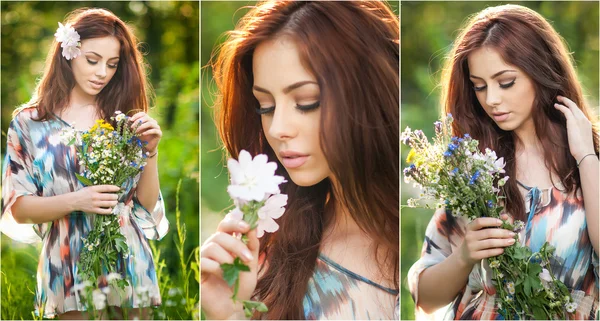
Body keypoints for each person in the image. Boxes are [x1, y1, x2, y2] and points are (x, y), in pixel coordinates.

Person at [201, 1, 399, 319]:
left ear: (369, 94)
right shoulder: (266, 259)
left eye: (306, 102)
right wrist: (228, 314)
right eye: (265, 106)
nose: (277, 129)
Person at [407, 4, 599, 320]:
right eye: (479, 86)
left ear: (542, 71)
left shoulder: (591, 160)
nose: (491, 99)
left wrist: (587, 159)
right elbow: (425, 298)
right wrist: (465, 256)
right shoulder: (475, 170)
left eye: (505, 82)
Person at [0, 8, 169, 320]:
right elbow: (20, 209)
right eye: (93, 60)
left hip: (128, 262)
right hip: (64, 265)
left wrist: (151, 153)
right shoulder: (29, 123)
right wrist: (79, 200)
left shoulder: (124, 120)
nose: (102, 72)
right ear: (69, 53)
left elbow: (144, 209)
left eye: (112, 64)